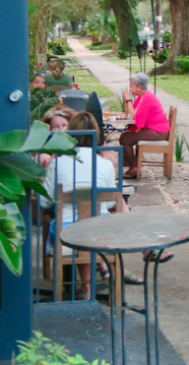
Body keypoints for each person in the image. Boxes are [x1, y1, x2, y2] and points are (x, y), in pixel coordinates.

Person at [40, 112, 133, 300]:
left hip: (65, 235)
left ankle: (83, 289)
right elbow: (107, 202)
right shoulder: (105, 164)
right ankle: (95, 284)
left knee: (76, 228)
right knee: (91, 226)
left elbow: (44, 202)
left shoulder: (57, 163)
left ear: (70, 133)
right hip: (99, 233)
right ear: (96, 134)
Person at [119, 73, 170, 179]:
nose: (130, 88)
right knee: (125, 137)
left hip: (158, 132)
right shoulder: (141, 97)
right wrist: (126, 100)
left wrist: (129, 100)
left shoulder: (147, 98)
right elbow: (129, 113)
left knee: (125, 138)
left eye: (132, 85)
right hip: (153, 130)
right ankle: (132, 164)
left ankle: (134, 167)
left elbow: (134, 118)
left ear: (139, 87)